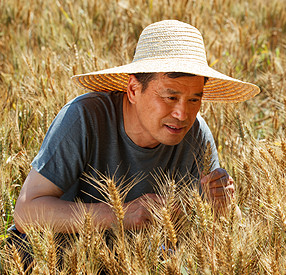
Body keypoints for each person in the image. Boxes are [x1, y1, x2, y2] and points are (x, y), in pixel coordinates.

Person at [11, 19, 259, 234]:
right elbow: (25, 212)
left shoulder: (196, 133)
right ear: (133, 89)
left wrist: (224, 207)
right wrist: (120, 215)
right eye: (170, 97)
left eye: (194, 99)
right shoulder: (84, 118)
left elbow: (225, 232)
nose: (182, 113)